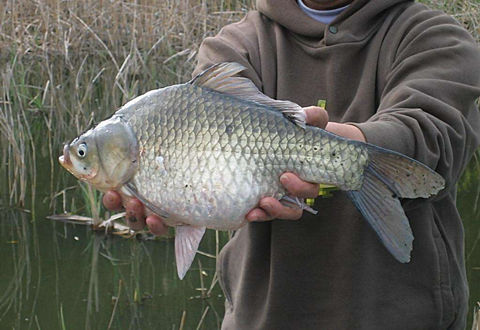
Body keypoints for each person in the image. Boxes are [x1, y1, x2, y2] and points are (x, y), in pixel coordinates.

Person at [103, 0, 480, 328]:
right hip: (265, 315)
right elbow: (205, 171)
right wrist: (175, 204)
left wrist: (341, 149)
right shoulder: (234, 46)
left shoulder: (435, 36)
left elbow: (439, 140)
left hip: (399, 315)